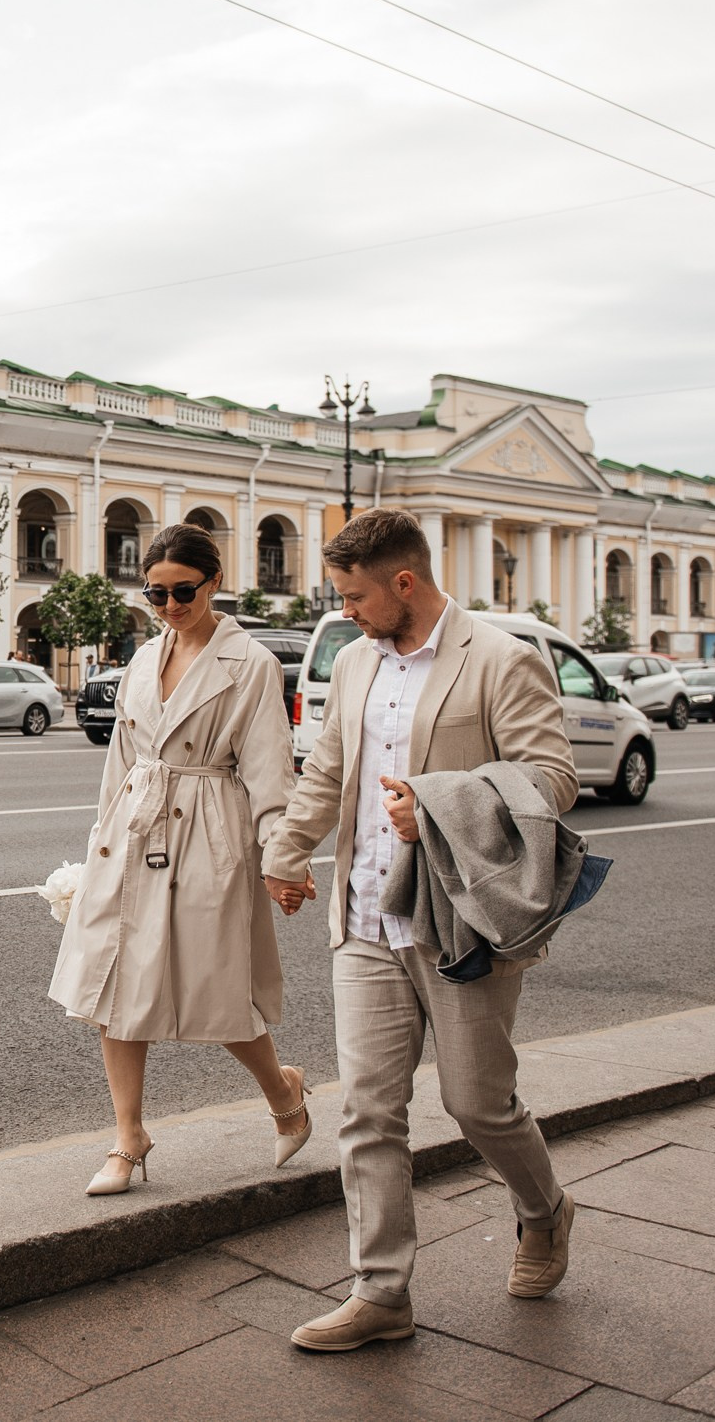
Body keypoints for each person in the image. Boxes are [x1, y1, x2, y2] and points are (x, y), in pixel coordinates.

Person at [260, 509, 579, 1352]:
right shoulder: (359, 660)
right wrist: (285, 852)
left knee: (478, 1104)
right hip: (366, 916)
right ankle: (381, 1292)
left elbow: (552, 780)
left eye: (356, 596)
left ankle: (545, 1212)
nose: (348, 612)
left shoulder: (502, 660)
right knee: (368, 1111)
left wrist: (438, 803)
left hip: (456, 917)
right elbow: (330, 767)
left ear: (404, 582)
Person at [48, 523, 311, 1198]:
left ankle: (284, 1094)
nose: (168, 607)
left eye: (182, 592)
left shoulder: (248, 662)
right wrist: (98, 849)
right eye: (156, 594)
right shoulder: (143, 658)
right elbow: (123, 761)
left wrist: (282, 858)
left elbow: (269, 771)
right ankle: (129, 1138)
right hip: (135, 830)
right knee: (113, 985)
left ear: (214, 582)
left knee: (214, 990)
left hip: (209, 832)